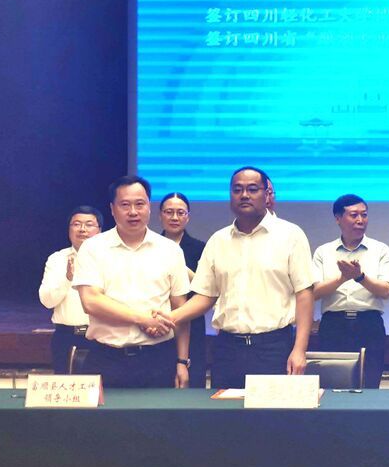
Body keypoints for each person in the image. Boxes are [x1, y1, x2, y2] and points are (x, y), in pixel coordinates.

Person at [167, 167, 314, 389]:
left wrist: (300, 350)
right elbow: (205, 296)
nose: (244, 195)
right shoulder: (218, 240)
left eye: (252, 189)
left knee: (272, 411)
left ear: (267, 194)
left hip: (273, 348)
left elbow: (305, 294)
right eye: (237, 190)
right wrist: (169, 318)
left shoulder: (291, 235)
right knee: (224, 410)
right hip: (227, 349)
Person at [73, 176, 190, 388]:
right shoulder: (93, 248)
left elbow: (180, 310)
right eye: (125, 205)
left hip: (158, 358)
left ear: (149, 207)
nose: (133, 212)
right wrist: (142, 319)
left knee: (159, 411)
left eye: (139, 204)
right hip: (106, 357)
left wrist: (182, 361)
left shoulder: (170, 250)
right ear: (112, 209)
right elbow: (91, 301)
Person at [312, 194, 389, 389]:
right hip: (333, 325)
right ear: (338, 218)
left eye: (364, 215)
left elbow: (385, 290)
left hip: (369, 324)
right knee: (332, 385)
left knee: (370, 386)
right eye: (354, 215)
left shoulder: (380, 249)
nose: (360, 220)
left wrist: (360, 277)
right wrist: (342, 278)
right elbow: (314, 292)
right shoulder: (323, 251)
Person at [38, 206, 102, 374]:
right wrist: (67, 278)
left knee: (103, 387)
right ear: (69, 230)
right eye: (76, 224)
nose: (82, 229)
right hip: (66, 337)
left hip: (102, 337)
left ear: (100, 230)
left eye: (89, 224)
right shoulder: (57, 259)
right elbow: (47, 301)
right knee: (66, 387)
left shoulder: (111, 260)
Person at [159, 192, 208, 388]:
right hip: (157, 323)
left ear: (188, 217)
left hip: (192, 324)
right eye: (169, 212)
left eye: (180, 213)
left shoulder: (200, 248)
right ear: (160, 215)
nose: (174, 217)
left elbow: (206, 289)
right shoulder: (150, 246)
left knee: (191, 385)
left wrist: (179, 266)